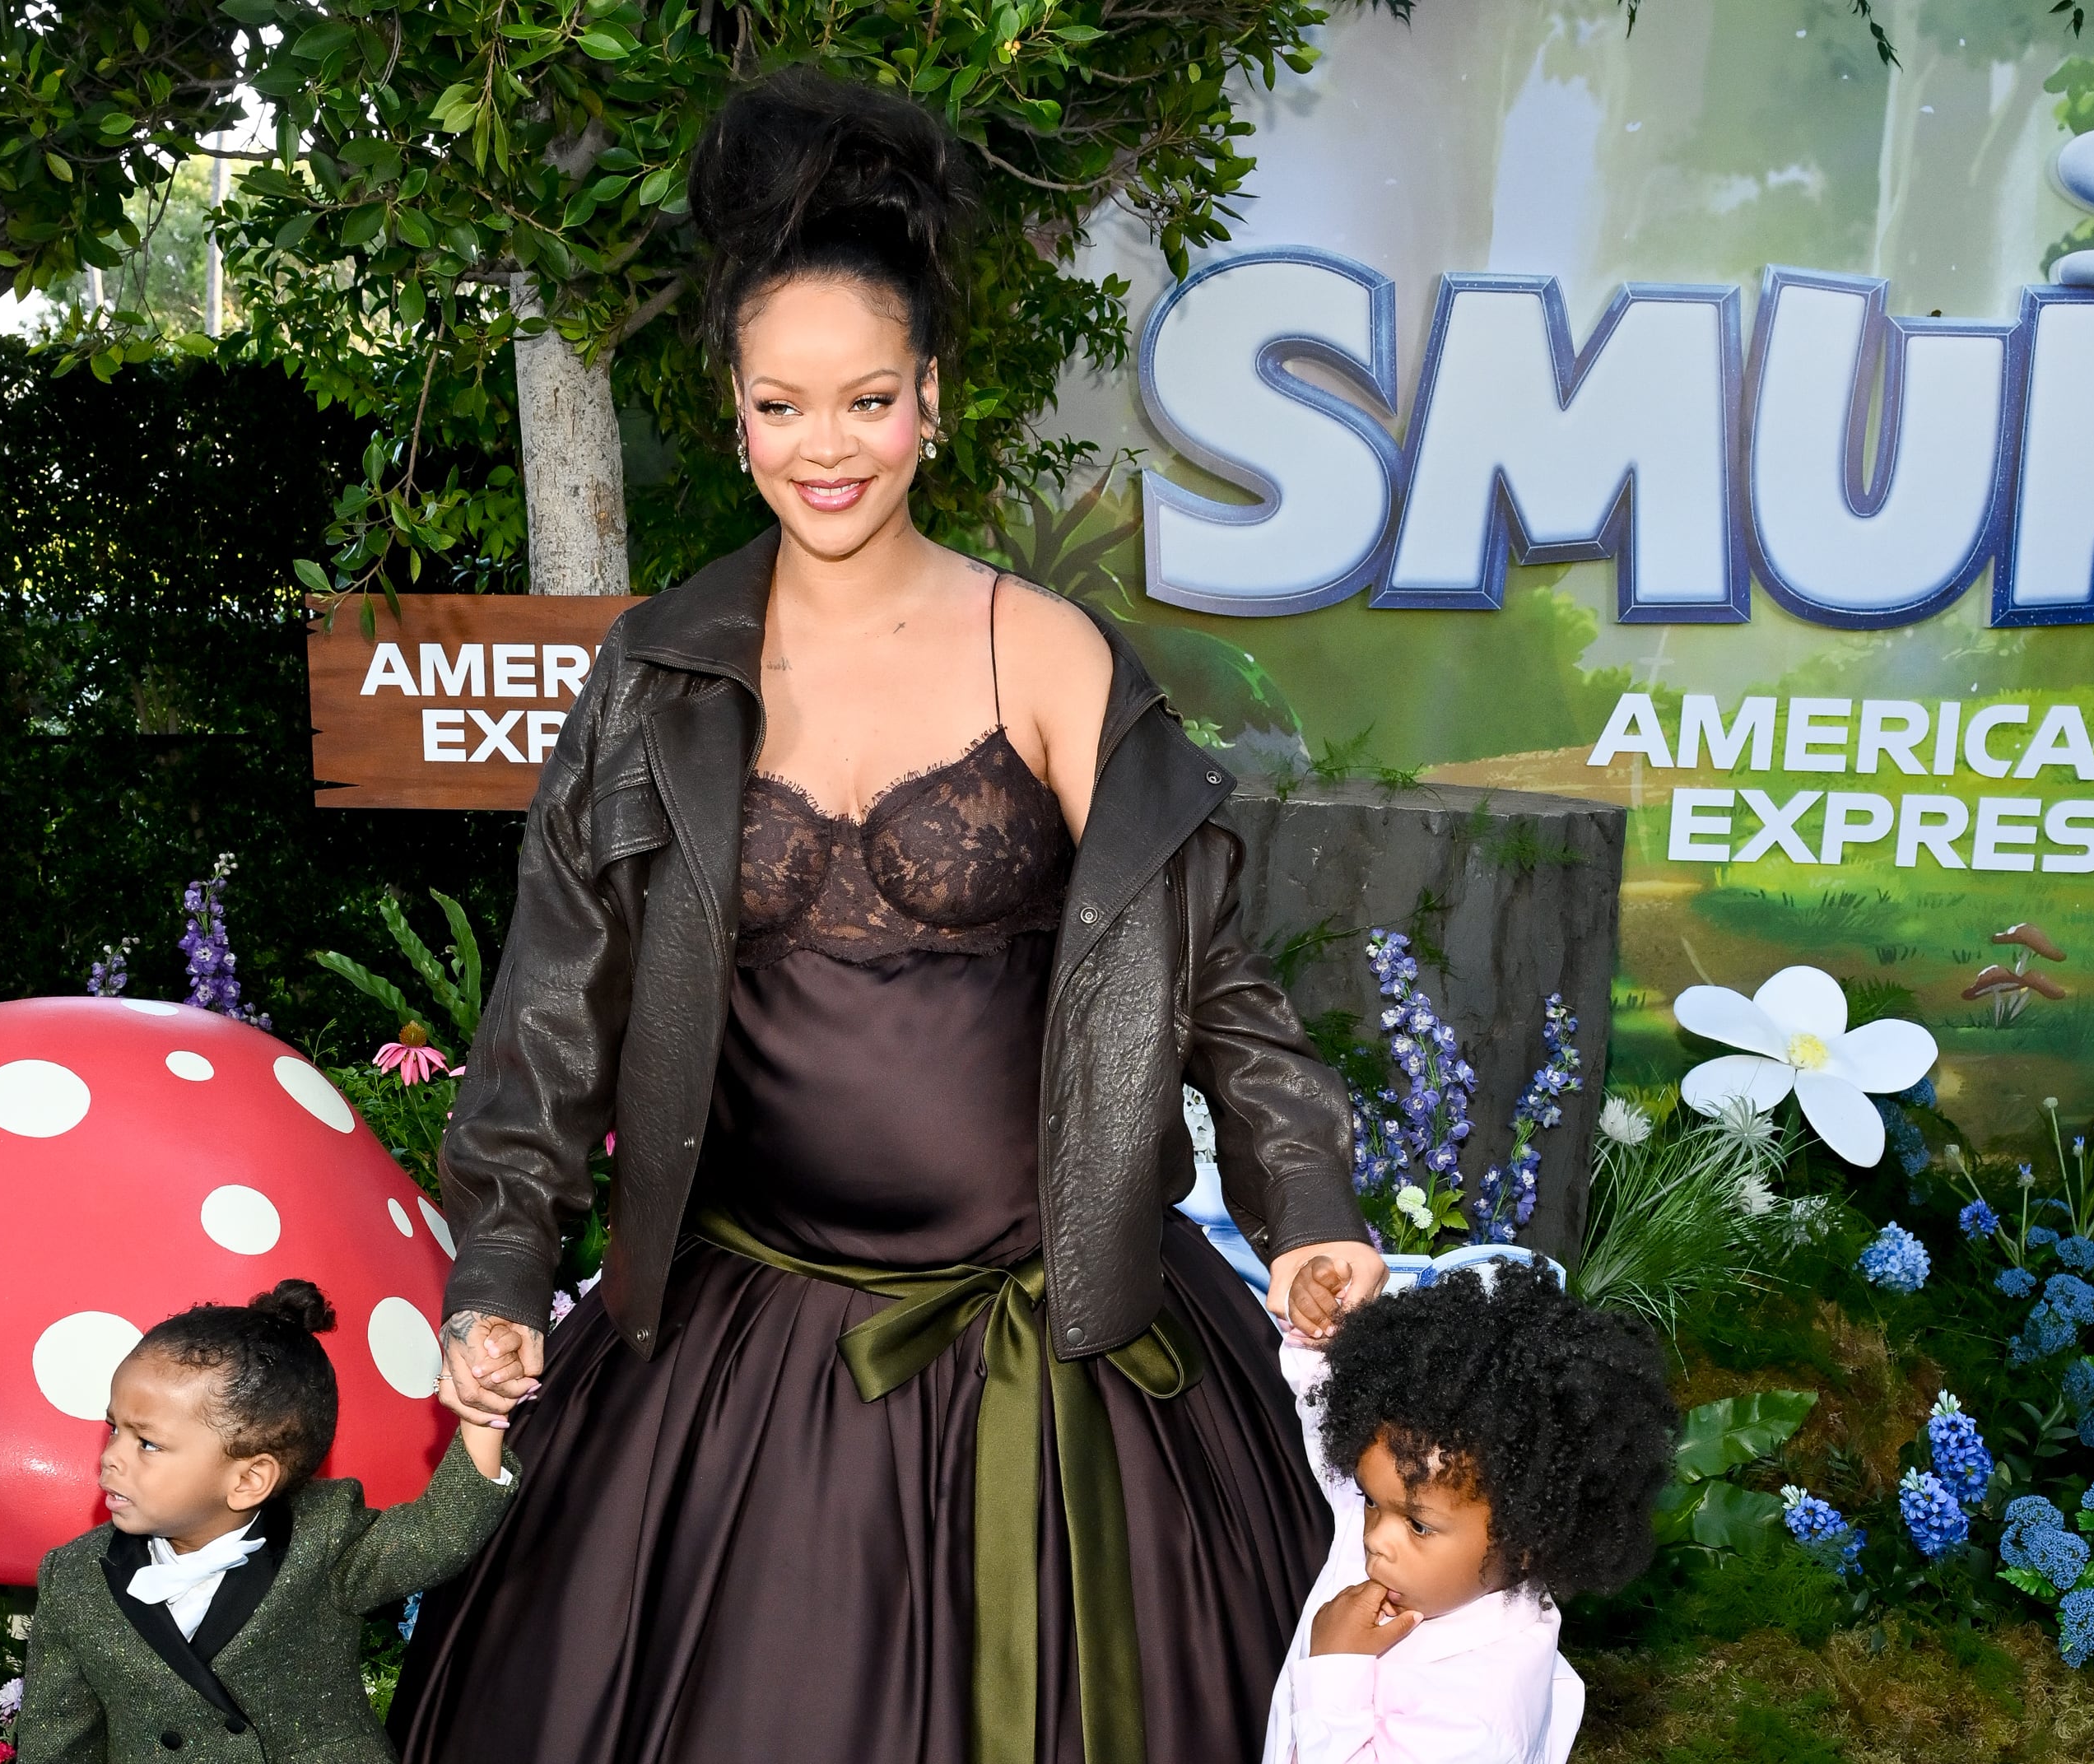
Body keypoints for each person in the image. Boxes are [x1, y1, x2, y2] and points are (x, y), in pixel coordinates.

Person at [391, 66, 1386, 1764]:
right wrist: (498, 1269)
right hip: (743, 1348)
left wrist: (1303, 1203)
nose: (824, 448)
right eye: (783, 408)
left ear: (930, 400)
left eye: (864, 401)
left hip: (1056, 1336)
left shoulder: (1050, 654)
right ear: (733, 416)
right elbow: (553, 1014)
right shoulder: (656, 675)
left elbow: (1215, 980)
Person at [17, 1282, 519, 1764]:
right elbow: (57, 1738)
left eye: (147, 1443)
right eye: (114, 1429)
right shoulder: (75, 1576)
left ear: (249, 1479)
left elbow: (435, 1538)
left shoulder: (324, 1540)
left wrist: (480, 1424)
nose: (111, 1459)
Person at [1262, 1259, 1678, 1764]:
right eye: (1370, 1499)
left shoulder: (1478, 1715)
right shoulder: (1425, 1524)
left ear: (1523, 1538)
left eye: (1416, 1525)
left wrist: (1333, 1669)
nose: (1374, 1538)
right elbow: (1320, 1392)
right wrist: (1319, 1317)